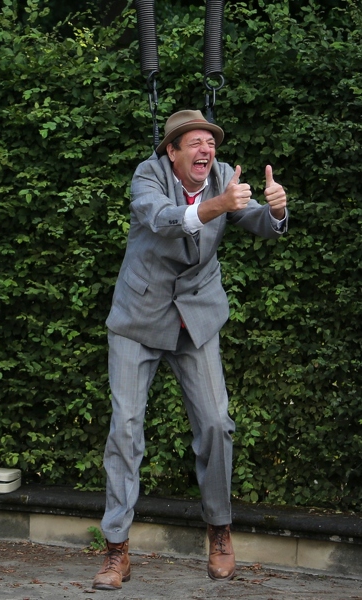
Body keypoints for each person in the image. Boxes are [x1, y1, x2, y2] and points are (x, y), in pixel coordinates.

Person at [92, 110, 288, 590]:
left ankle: (219, 532)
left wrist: (276, 210)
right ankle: (116, 550)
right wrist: (219, 205)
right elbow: (163, 220)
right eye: (196, 143)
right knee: (125, 429)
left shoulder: (222, 177)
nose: (207, 151)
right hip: (139, 318)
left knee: (217, 424)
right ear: (172, 151)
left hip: (196, 318)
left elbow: (255, 221)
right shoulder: (147, 175)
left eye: (211, 143)